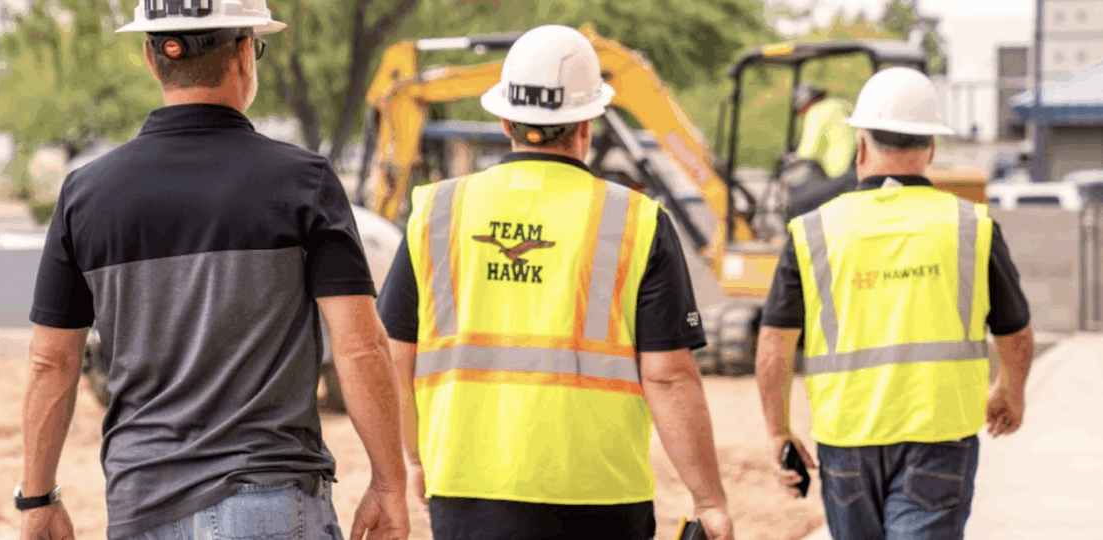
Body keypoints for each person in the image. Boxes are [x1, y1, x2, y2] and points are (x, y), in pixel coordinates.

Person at [17, 1, 409, 539]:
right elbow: (360, 347)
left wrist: (38, 497)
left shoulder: (86, 195)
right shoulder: (305, 184)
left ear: (153, 59)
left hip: (142, 503)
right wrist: (389, 486)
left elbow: (50, 363)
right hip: (273, 500)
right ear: (245, 53)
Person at [375, 24, 735, 540]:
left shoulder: (437, 211)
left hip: (466, 486)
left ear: (505, 120)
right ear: (588, 120)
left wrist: (414, 457)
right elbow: (669, 376)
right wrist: (710, 499)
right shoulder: (637, 221)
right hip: (599, 496)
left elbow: (397, 356)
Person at [755, 67, 1035, 540]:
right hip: (940, 436)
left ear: (860, 145)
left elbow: (773, 348)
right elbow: (1015, 334)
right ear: (931, 148)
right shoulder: (971, 226)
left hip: (845, 438)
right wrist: (1011, 390)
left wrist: (779, 432)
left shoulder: (812, 232)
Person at [791, 83, 858, 181]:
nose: (801, 115)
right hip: (860, 167)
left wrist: (793, 158)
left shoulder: (816, 112)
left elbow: (809, 151)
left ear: (804, 104)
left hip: (838, 173)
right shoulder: (846, 104)